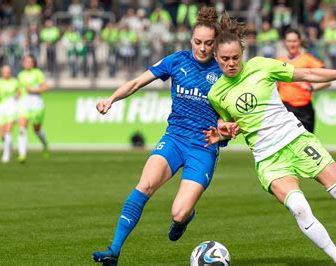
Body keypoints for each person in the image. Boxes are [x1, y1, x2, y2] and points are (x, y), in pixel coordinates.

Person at [204, 13, 336, 266]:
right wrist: (224, 131)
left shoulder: (262, 66)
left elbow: (308, 75)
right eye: (224, 59)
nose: (231, 63)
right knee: (300, 208)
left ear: (243, 55)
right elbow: (225, 123)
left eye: (236, 58)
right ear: (215, 57)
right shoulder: (216, 93)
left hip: (296, 140)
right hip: (268, 158)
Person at [92, 7, 238, 265]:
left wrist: (224, 132)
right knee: (144, 185)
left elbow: (228, 120)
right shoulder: (177, 60)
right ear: (190, 40)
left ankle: (185, 218)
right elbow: (137, 82)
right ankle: (113, 251)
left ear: (216, 44)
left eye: (208, 43)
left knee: (178, 213)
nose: (202, 48)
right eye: (197, 42)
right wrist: (111, 99)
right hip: (174, 139)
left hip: (203, 147)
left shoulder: (224, 73)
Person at [277, 28, 331, 133]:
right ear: (285, 43)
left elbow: (327, 79)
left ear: (299, 42)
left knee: (306, 143)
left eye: (294, 41)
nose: (292, 44)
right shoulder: (279, 61)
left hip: (304, 110)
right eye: (289, 41)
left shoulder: (307, 59)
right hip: (285, 109)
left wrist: (311, 87)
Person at [17, 54, 49, 163]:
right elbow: (20, 89)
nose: (27, 63)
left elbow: (45, 87)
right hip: (24, 103)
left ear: (33, 63)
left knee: (37, 130)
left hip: (36, 103)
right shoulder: (20, 75)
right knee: (22, 129)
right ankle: (22, 154)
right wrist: (17, 94)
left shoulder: (38, 73)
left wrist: (33, 90)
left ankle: (45, 144)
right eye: (26, 61)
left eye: (30, 62)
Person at [0, 65, 19, 163]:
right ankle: (10, 147)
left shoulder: (15, 82)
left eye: (8, 71)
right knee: (2, 134)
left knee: (8, 131)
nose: (6, 73)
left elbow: (20, 92)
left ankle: (6, 154)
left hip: (12, 107)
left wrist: (17, 95)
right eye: (5, 71)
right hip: (1, 108)